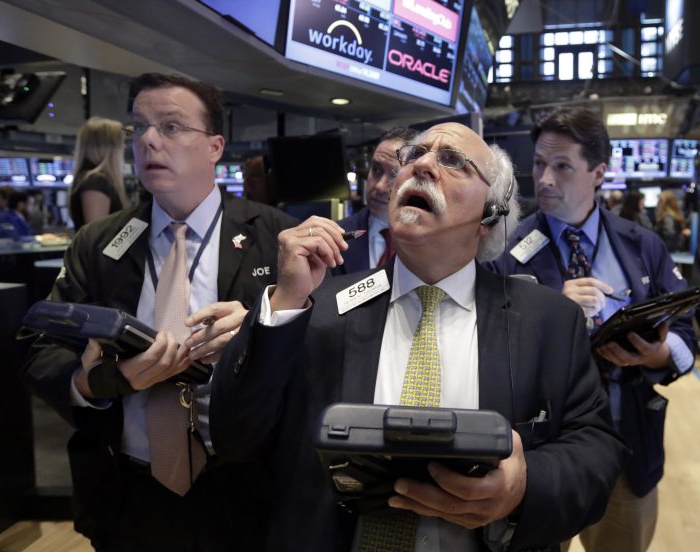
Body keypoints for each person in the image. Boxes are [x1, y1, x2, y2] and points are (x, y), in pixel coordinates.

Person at [210, 122, 627, 551]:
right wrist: (284, 304)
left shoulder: (549, 321)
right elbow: (234, 437)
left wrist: (523, 486)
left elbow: (594, 452)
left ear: (492, 214)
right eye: (413, 155)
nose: (421, 165)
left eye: (452, 161)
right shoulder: (315, 306)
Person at [21, 72, 297, 551]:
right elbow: (38, 347)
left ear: (215, 146)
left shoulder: (278, 238)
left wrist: (259, 328)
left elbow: (323, 351)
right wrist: (93, 382)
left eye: (170, 127)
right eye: (139, 128)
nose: (148, 140)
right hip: (127, 490)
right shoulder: (100, 242)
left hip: (248, 488)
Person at [488, 106, 696, 552]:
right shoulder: (509, 250)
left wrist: (660, 354)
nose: (544, 178)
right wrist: (552, 313)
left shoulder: (642, 246)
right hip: (543, 453)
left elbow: (685, 329)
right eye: (540, 163)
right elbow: (488, 343)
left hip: (628, 444)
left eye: (562, 166)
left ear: (599, 172)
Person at [335, 127, 418, 274]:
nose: (379, 186)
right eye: (376, 169)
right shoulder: (336, 237)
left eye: (394, 176)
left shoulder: (436, 243)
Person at [69, 116, 130, 231]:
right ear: (108, 147)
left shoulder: (95, 181)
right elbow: (97, 240)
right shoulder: (95, 183)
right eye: (120, 143)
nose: (124, 147)